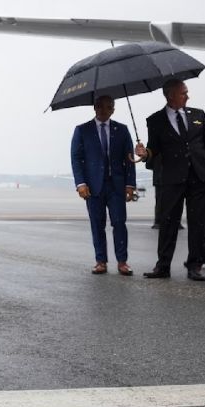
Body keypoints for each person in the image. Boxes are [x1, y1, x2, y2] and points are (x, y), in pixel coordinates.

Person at [135, 79, 205, 281]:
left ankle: (194, 266)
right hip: (172, 178)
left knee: (198, 223)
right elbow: (154, 149)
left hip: (200, 177)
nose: (187, 96)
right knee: (168, 223)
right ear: (170, 95)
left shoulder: (198, 115)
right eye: (183, 93)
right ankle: (163, 266)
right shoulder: (155, 120)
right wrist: (144, 153)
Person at [70, 95, 136, 275]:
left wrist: (130, 184)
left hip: (116, 185)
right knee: (97, 224)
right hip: (93, 187)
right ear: (95, 108)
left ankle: (122, 262)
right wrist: (81, 183)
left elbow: (129, 159)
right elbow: (76, 159)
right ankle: (101, 261)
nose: (103, 110)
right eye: (100, 106)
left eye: (108, 107)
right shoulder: (82, 130)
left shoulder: (122, 130)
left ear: (113, 109)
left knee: (119, 223)